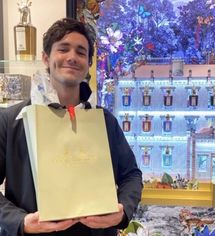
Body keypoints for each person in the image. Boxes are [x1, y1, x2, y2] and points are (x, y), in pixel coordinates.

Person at [0, 18, 143, 235]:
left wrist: (123, 211)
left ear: (88, 64)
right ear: (46, 58)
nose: (72, 57)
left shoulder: (104, 122)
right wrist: (21, 221)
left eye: (80, 52)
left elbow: (131, 175)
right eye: (63, 49)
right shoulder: (11, 122)